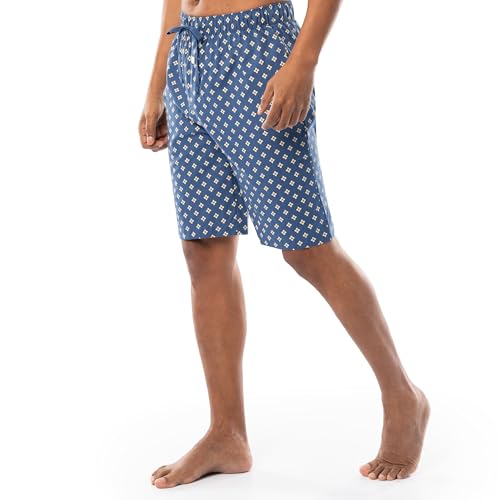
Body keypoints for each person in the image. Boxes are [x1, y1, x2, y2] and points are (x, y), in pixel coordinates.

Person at [139, 0, 430, 489]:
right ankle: (226, 433)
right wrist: (158, 85)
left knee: (307, 247)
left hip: (257, 54)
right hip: (187, 55)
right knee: (204, 251)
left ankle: (403, 396)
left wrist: (303, 61)